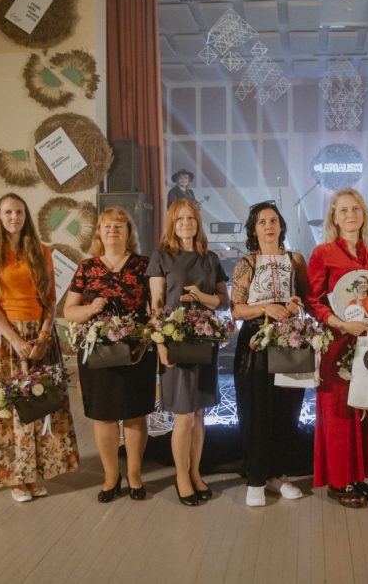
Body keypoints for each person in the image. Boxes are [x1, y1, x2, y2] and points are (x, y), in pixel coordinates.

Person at [0, 193, 80, 502]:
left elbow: (50, 300)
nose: (14, 217)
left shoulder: (41, 251)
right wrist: (16, 339)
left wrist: (44, 337)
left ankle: (34, 474)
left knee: (41, 403)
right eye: (8, 212)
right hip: (5, 338)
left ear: (26, 216)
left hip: (39, 335)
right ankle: (16, 478)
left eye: (19, 211)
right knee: (10, 407)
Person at [63, 208, 156, 502]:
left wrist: (145, 338)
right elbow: (69, 311)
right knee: (103, 417)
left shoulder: (144, 265)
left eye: (119, 226)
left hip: (136, 352)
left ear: (129, 233)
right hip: (97, 355)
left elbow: (157, 308)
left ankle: (135, 476)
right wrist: (91, 308)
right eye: (107, 226)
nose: (113, 230)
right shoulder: (87, 267)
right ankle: (110, 477)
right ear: (99, 233)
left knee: (134, 415)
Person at [305, 188, 368, 508]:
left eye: (355, 209)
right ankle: (340, 482)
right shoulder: (322, 253)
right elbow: (313, 301)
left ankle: (360, 477)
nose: (350, 215)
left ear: (363, 214)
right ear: (334, 218)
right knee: (339, 413)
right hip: (337, 343)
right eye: (343, 210)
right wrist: (340, 323)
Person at [146, 199, 228, 506]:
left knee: (199, 413)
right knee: (183, 416)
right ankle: (181, 477)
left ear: (198, 222)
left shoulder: (211, 258)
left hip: (204, 344)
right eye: (180, 219)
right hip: (175, 344)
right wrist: (160, 344)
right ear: (172, 223)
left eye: (190, 218)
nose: (186, 223)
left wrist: (200, 295)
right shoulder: (161, 257)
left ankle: (195, 472)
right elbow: (156, 305)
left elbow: (223, 301)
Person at [230, 200, 309, 507]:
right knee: (256, 409)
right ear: (253, 229)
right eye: (261, 222)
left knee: (287, 408)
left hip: (289, 340)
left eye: (273, 220)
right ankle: (255, 477)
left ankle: (279, 475)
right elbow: (236, 310)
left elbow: (305, 298)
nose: (268, 226)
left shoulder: (295, 259)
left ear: (281, 225)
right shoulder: (246, 263)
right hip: (255, 342)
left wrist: (295, 304)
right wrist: (266, 307)